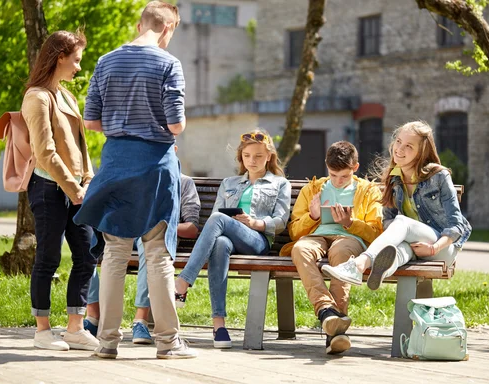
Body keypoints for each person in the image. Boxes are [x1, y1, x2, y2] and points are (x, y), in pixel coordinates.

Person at [73, 2, 196, 359]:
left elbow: (92, 121)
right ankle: (168, 343)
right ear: (168, 28)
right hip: (154, 165)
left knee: (113, 251)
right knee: (156, 254)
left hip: (115, 163)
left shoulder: (106, 60)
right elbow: (176, 124)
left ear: (141, 23)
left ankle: (107, 342)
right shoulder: (168, 63)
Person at [174, 129, 291, 349]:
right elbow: (216, 220)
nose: (252, 161)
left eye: (258, 156)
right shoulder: (229, 183)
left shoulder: (279, 184)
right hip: (229, 239)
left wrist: (254, 223)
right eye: (247, 156)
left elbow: (281, 220)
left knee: (218, 218)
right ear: (241, 157)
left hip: (257, 241)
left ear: (268, 156)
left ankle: (183, 281)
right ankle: (219, 326)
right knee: (219, 243)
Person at [322, 121, 472, 292]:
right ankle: (383, 270)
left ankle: (358, 265)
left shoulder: (438, 176)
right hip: (413, 244)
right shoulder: (395, 177)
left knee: (402, 221)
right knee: (398, 251)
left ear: (421, 152)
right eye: (398, 141)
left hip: (442, 248)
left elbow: (456, 225)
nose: (399, 149)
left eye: (409, 146)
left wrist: (433, 247)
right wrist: (402, 236)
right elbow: (387, 220)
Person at [21, 30, 99, 351]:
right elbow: (45, 152)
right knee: (48, 258)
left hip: (76, 190)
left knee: (86, 255)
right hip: (48, 188)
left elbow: (79, 144)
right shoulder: (37, 97)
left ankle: (75, 328)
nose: (79, 67)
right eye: (76, 60)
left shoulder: (66, 95)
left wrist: (88, 179)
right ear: (59, 58)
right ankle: (42, 331)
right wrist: (72, 187)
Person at [280, 141, 383, 355]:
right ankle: (327, 314)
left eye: (344, 176)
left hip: (349, 237)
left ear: (355, 168)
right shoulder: (314, 189)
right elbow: (294, 232)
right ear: (327, 167)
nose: (337, 181)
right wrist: (313, 216)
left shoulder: (368, 191)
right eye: (333, 175)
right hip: (316, 235)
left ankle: (332, 329)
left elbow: (376, 232)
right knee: (300, 249)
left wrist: (350, 223)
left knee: (341, 252)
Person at [83, 172, 201, 345]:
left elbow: (192, 228)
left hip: (154, 238)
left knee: (149, 243)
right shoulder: (134, 177)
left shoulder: (183, 182)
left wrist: (161, 226)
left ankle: (140, 321)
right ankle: (93, 316)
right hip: (124, 233)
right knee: (85, 244)